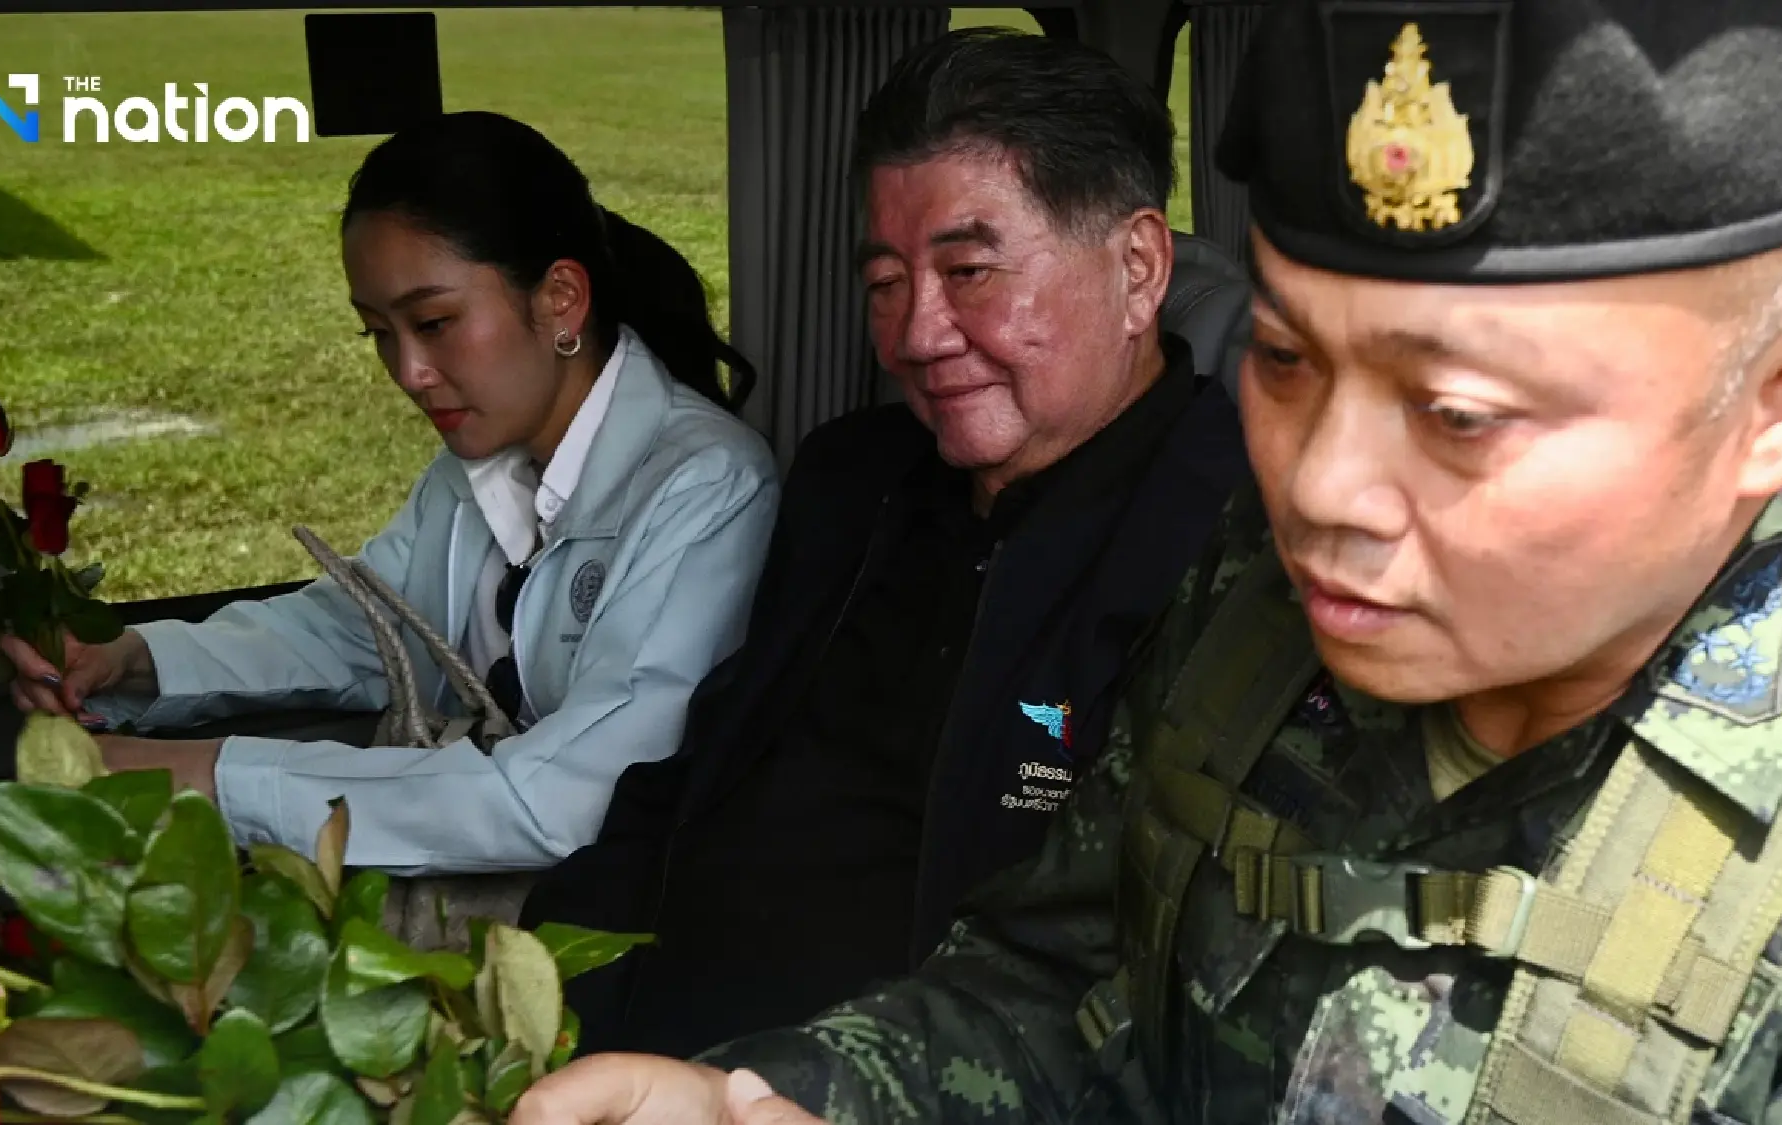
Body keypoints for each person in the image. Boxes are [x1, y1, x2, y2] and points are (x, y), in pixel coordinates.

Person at [510, 1, 1782, 1122]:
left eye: (1456, 414)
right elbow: (1062, 980)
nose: (1320, 486)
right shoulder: (1258, 604)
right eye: (1283, 359)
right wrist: (783, 1099)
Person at [517, 28, 1251, 1058]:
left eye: (969, 271)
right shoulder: (849, 480)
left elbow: (1138, 981)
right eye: (883, 284)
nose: (915, 334)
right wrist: (529, 996)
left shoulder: (1239, 540)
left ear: (1136, 268)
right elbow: (687, 789)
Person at [0, 111, 779, 876]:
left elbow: (564, 795)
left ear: (561, 300)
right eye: (377, 331)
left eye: (434, 322)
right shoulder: (475, 465)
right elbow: (367, 630)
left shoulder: (707, 485)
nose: (408, 373)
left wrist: (209, 777)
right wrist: (135, 660)